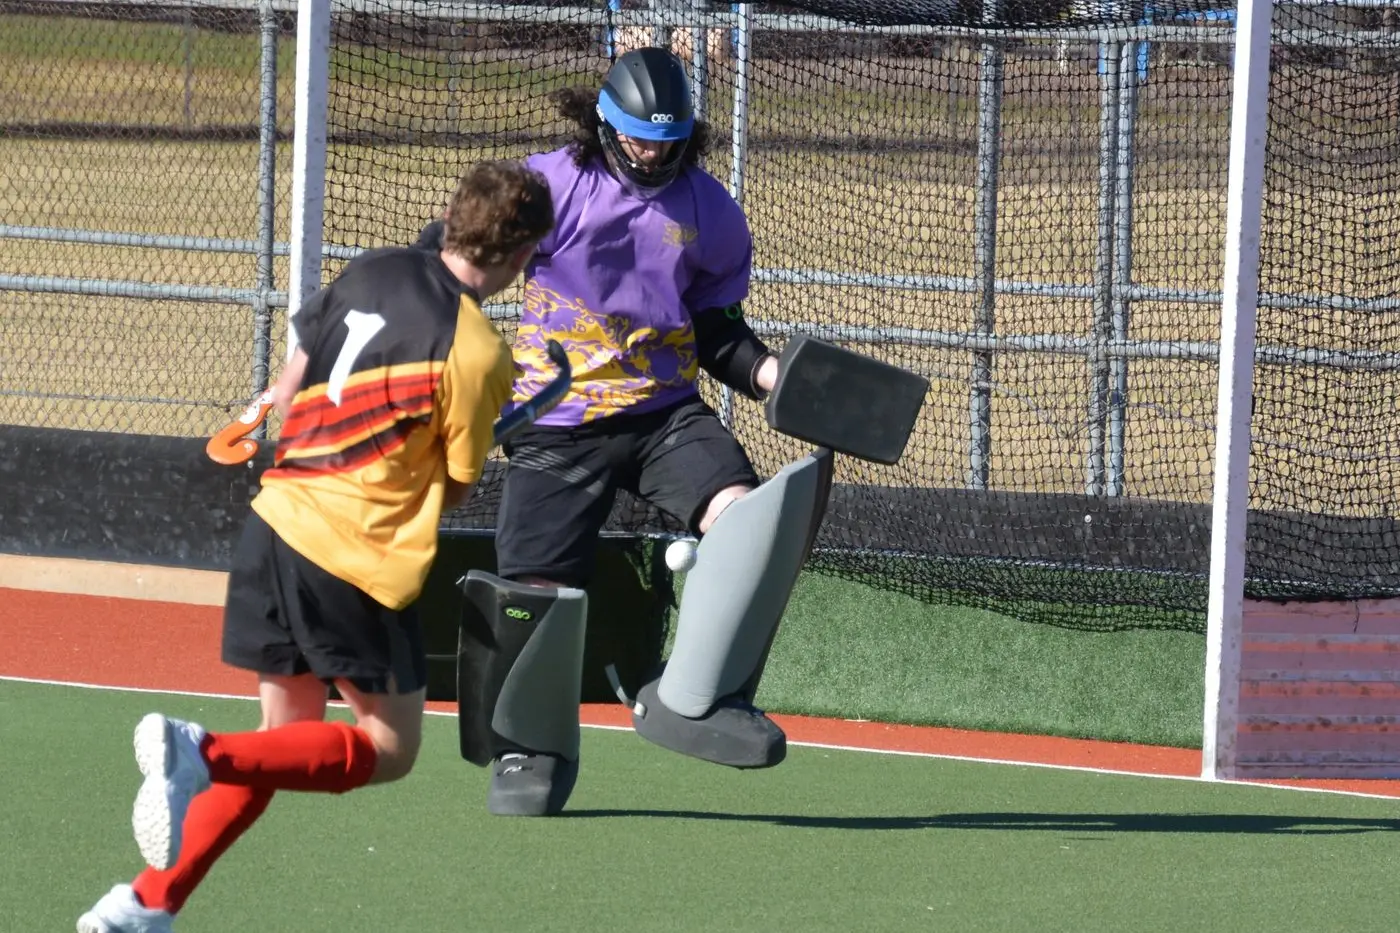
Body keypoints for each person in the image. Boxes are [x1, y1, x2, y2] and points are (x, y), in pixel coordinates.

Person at [76, 159, 555, 933]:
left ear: (451, 213)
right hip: (351, 557)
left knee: (288, 740)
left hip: (272, 527)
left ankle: (143, 904)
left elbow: (294, 380)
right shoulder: (478, 352)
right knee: (390, 747)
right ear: (522, 252)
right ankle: (201, 752)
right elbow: (458, 485)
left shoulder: (371, 269)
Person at [437, 48, 837, 819]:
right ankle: (530, 748)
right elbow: (464, 251)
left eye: (669, 140)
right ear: (606, 125)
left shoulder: (711, 213)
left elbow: (719, 331)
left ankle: (699, 697)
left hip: (664, 417)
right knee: (535, 587)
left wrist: (770, 376)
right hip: (556, 424)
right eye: (640, 138)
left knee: (747, 519)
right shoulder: (551, 184)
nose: (654, 153)